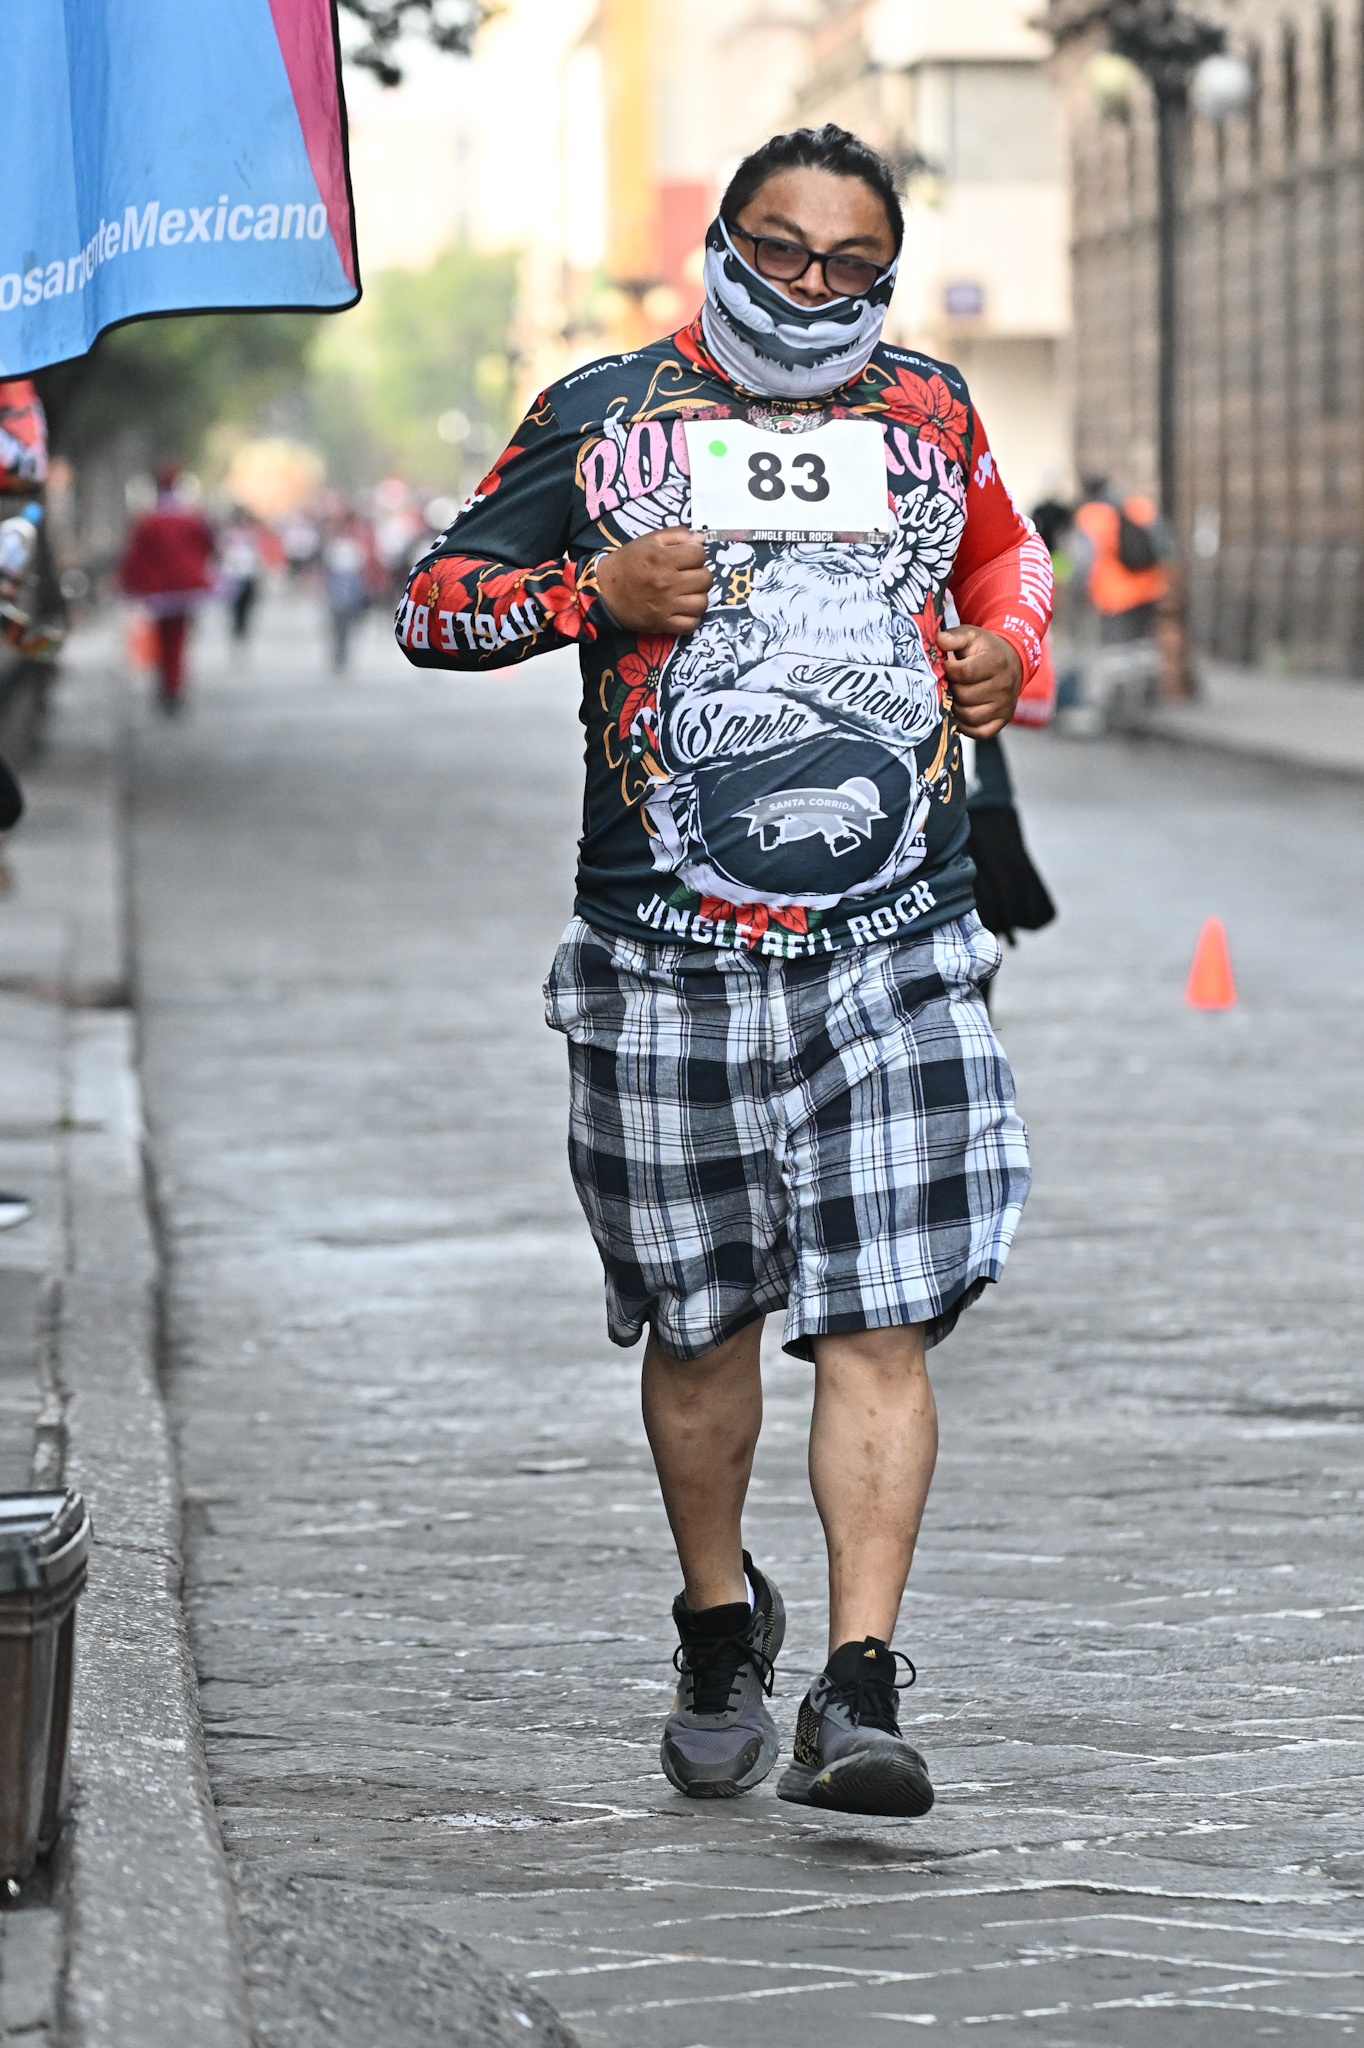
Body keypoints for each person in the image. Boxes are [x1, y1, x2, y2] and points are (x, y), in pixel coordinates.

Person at [397, 124, 1052, 1818]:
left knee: (881, 1314)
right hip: (660, 956)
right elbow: (434, 604)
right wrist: (589, 590)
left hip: (896, 943)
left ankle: (859, 1680)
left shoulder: (930, 410)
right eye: (778, 248)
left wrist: (1008, 649)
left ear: (885, 274)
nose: (810, 286)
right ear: (723, 241)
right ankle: (714, 1624)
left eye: (849, 264)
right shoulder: (601, 408)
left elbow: (1006, 557)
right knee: (700, 1324)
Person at [119, 466, 216, 711]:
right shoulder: (192, 518)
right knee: (177, 639)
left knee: (164, 638)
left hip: (158, 590)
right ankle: (173, 685)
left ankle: (167, 684)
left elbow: (135, 556)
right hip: (184, 588)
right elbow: (207, 548)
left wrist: (130, 585)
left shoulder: (147, 521)